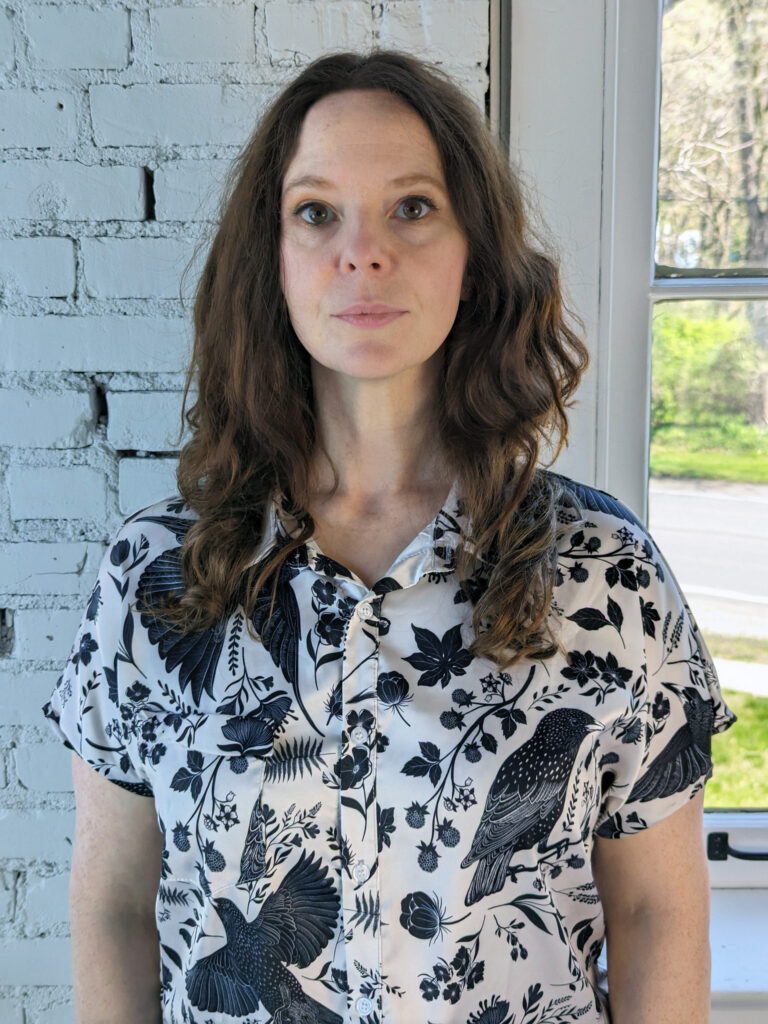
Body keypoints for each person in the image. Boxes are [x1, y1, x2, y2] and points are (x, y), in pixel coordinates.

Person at [44, 50, 734, 1024]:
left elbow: (658, 909)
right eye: (317, 211)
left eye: (412, 207)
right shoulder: (156, 578)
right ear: (270, 257)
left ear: (472, 250)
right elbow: (113, 906)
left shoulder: (603, 570)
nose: (362, 252)